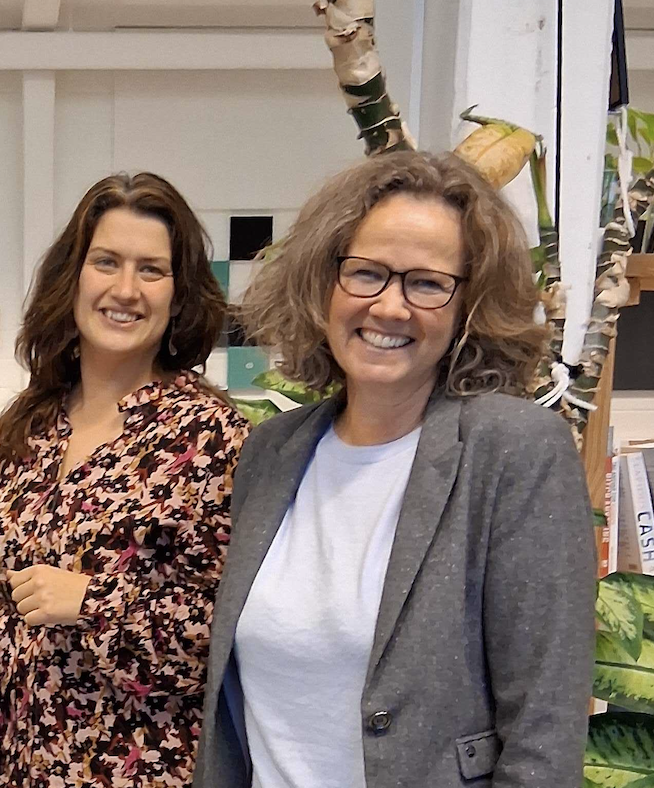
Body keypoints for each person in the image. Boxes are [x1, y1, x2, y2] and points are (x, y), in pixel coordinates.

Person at [194, 151, 595, 788]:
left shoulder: (513, 450)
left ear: (469, 305)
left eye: (427, 284)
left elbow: (544, 729)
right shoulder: (272, 452)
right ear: (324, 282)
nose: (389, 307)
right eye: (367, 273)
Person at [0, 173, 250, 787]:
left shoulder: (211, 438)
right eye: (107, 262)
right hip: (10, 765)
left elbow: (225, 637)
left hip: (129, 767)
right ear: (75, 277)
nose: (125, 289)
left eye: (152, 270)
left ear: (179, 296)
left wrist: (92, 603)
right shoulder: (35, 425)